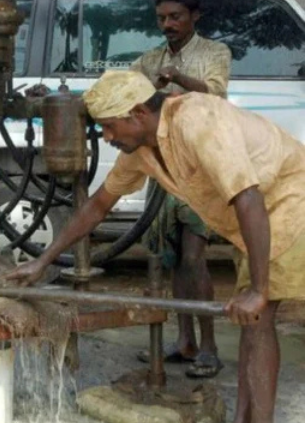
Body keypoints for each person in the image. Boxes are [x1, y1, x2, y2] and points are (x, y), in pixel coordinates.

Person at [6, 70, 305, 423]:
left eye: (110, 126)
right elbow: (97, 206)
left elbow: (247, 195)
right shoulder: (141, 150)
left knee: (259, 317)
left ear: (138, 113)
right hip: (254, 223)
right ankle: (244, 422)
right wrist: (43, 261)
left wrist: (258, 289)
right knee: (251, 321)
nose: (107, 136)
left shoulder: (196, 120)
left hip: (289, 202)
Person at [130, 0, 232, 378]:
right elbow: (125, 89)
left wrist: (177, 80)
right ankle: (185, 340)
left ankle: (209, 347)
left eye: (175, 17)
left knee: (193, 257)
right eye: (161, 18)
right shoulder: (149, 59)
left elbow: (215, 94)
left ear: (195, 16)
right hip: (164, 167)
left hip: (198, 166)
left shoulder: (214, 52)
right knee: (171, 258)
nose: (167, 24)